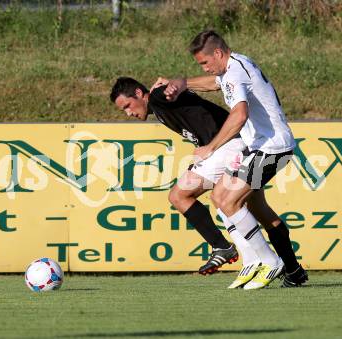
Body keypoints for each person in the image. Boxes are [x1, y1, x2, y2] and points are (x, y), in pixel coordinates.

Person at [157, 30, 308, 288]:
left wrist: (211, 147)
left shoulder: (236, 72)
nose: (204, 68)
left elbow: (239, 115)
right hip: (260, 148)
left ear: (218, 53)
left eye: (205, 63)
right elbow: (214, 83)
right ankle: (292, 271)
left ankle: (269, 262)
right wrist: (182, 83)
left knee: (227, 199)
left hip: (271, 149)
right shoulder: (234, 66)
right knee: (239, 204)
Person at [110, 77, 281, 288]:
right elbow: (197, 114)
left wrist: (171, 86)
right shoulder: (158, 106)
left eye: (127, 106)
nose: (129, 113)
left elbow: (174, 91)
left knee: (179, 195)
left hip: (229, 144)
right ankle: (256, 261)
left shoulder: (156, 98)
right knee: (225, 204)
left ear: (138, 93)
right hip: (228, 144)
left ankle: (226, 248)